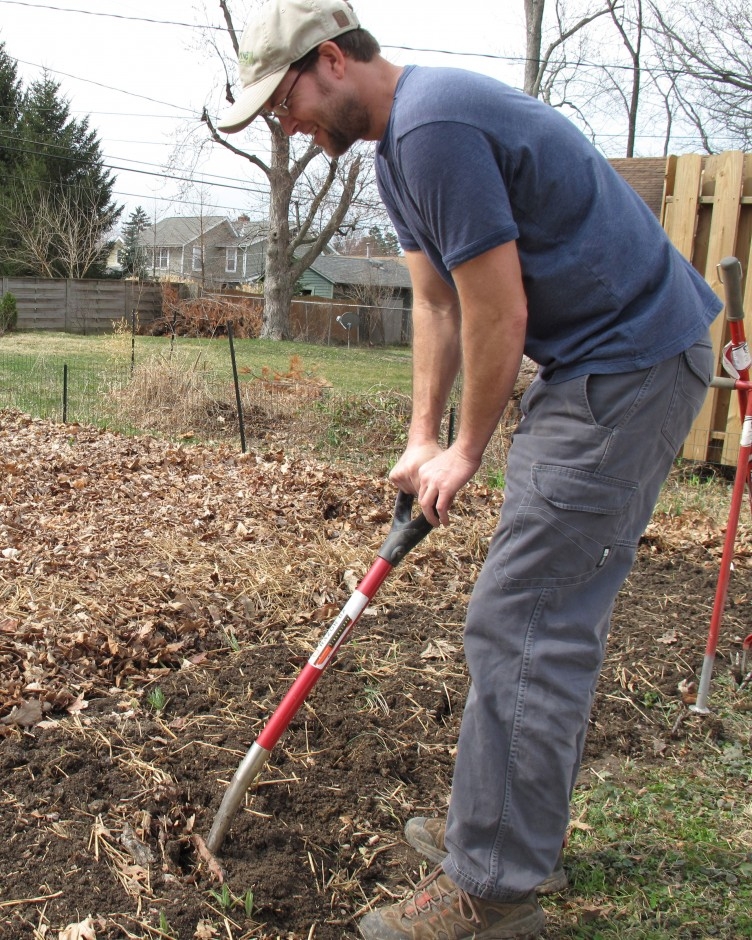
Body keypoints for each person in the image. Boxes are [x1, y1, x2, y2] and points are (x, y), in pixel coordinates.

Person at [216, 2, 721, 937]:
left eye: (281, 103)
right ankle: (510, 837)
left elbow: (499, 311)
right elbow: (435, 303)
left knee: (524, 615)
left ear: (329, 61)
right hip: (599, 365)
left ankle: (492, 887)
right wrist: (422, 436)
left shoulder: (435, 125)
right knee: (540, 613)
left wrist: (469, 450)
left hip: (628, 365)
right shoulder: (395, 152)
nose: (284, 127)